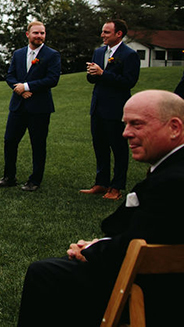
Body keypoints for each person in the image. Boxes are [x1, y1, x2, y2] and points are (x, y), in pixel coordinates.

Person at [17, 90, 184, 327]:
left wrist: (90, 251)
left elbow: (140, 243)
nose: (126, 133)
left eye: (136, 124)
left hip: (157, 294)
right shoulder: (170, 169)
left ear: (174, 127)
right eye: (125, 124)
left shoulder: (173, 181)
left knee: (44, 273)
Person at [0, 21, 61, 192]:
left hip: (39, 107)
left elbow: (52, 79)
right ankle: (9, 177)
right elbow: (10, 76)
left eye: (42, 33)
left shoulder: (52, 55)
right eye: (36, 33)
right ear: (28, 34)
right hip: (18, 106)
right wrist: (19, 90)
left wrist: (26, 86)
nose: (39, 36)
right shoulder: (18, 54)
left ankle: (35, 180)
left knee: (38, 144)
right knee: (10, 141)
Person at [81, 19, 140, 200]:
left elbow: (129, 82)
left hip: (116, 109)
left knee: (118, 148)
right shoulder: (99, 52)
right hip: (97, 107)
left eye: (106, 32)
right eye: (102, 31)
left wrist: (103, 73)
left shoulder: (129, 55)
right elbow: (93, 80)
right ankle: (101, 183)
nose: (102, 35)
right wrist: (92, 73)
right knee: (100, 146)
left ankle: (116, 187)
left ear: (118, 34)